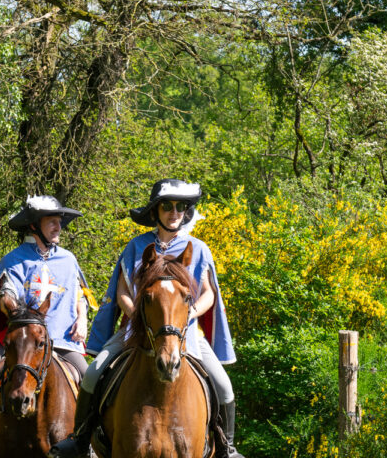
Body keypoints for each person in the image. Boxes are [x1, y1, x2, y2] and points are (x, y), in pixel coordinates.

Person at [50, 178, 245, 458]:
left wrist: (190, 313)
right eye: (167, 206)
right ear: (155, 211)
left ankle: (227, 447)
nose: (174, 211)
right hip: (137, 331)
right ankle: (79, 440)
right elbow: (122, 294)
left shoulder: (198, 249)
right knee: (92, 374)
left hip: (185, 334)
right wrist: (138, 316)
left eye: (181, 206)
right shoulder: (136, 247)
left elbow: (208, 295)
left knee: (224, 386)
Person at [0, 195, 95, 435]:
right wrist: (9, 300)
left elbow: (80, 294)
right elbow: (7, 291)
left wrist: (82, 319)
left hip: (63, 339)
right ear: (34, 225)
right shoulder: (13, 260)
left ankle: (87, 441)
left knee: (90, 379)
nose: (59, 227)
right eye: (52, 221)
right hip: (22, 341)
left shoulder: (68, 259)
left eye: (60, 221)